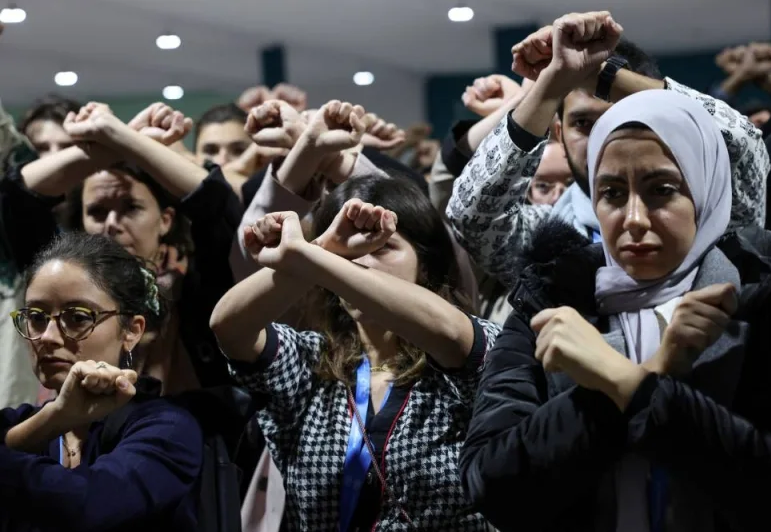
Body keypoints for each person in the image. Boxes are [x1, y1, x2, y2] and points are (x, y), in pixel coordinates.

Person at [459, 89, 771, 532]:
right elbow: (492, 484)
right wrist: (632, 382)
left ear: (705, 188)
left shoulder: (766, 294)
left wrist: (629, 382)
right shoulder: (552, 298)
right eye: (613, 193)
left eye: (662, 190)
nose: (633, 218)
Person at [211, 175, 500, 531]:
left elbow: (451, 333)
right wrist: (320, 248)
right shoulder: (309, 361)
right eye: (348, 255)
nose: (359, 266)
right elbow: (228, 327)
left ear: (424, 263)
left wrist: (316, 259)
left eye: (381, 249)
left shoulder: (467, 351)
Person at [447, 11, 771, 290]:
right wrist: (553, 80)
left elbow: (744, 146)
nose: (605, 139)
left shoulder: (713, 215)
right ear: (558, 132)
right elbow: (471, 217)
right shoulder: (546, 237)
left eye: (626, 118)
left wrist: (597, 75)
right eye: (585, 124)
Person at [0, 102, 242, 393]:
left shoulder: (199, 288)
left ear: (165, 220)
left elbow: (218, 202)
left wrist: (124, 137)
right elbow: (17, 194)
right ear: (81, 223)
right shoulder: (57, 282)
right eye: (98, 212)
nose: (112, 224)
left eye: (131, 208)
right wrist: (117, 141)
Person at [0, 232, 203, 531]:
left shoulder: (168, 429)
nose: (48, 337)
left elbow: (88, 507)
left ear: (131, 331)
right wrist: (56, 417)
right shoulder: (18, 420)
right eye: (37, 317)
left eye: (79, 317)